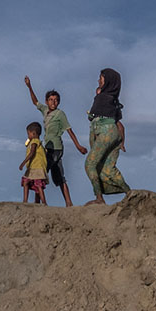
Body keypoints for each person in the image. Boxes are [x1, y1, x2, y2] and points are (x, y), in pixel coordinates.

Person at [24, 76, 88, 207]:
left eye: (56, 100)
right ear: (47, 101)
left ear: (58, 102)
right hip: (48, 148)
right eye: (51, 100)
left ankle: (40, 203)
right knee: (58, 175)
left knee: (39, 173)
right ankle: (67, 203)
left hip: (56, 149)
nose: (53, 102)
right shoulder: (45, 110)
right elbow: (35, 102)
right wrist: (29, 86)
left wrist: (78, 146)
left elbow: (69, 130)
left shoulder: (60, 114)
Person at [85, 68, 129, 204]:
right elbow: (120, 125)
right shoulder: (113, 101)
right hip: (113, 134)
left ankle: (99, 198)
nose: (98, 81)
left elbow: (92, 117)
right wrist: (121, 142)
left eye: (101, 78)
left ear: (108, 81)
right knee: (108, 169)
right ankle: (130, 193)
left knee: (90, 164)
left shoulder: (102, 97)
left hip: (105, 132)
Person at [20, 122, 48, 204]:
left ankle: (43, 202)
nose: (28, 136)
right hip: (34, 167)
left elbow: (32, 152)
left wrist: (23, 162)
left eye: (28, 134)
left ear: (33, 133)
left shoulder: (34, 142)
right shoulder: (39, 143)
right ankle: (26, 201)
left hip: (36, 167)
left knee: (36, 184)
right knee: (27, 182)